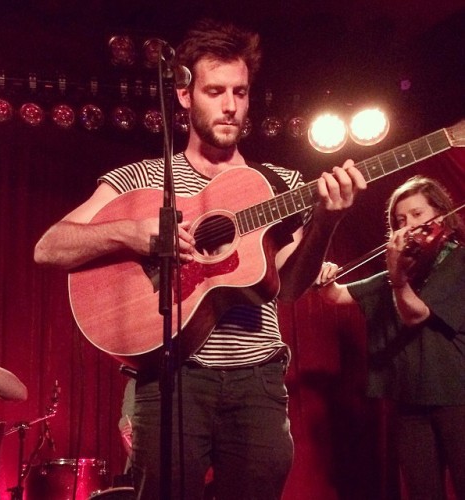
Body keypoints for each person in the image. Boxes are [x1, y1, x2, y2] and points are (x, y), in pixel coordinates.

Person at [34, 19, 366, 499]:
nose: (231, 105)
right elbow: (50, 247)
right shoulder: (141, 179)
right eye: (215, 91)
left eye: (241, 92)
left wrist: (327, 222)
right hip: (171, 381)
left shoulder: (279, 184)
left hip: (258, 383)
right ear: (186, 95)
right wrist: (136, 231)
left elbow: (289, 287)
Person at [316, 175, 465, 499]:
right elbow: (336, 296)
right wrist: (325, 276)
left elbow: (416, 314)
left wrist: (396, 276)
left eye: (416, 214)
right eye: (399, 220)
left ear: (441, 214)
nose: (408, 225)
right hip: (409, 401)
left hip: (457, 398)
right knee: (422, 492)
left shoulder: (458, 261)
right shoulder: (402, 271)